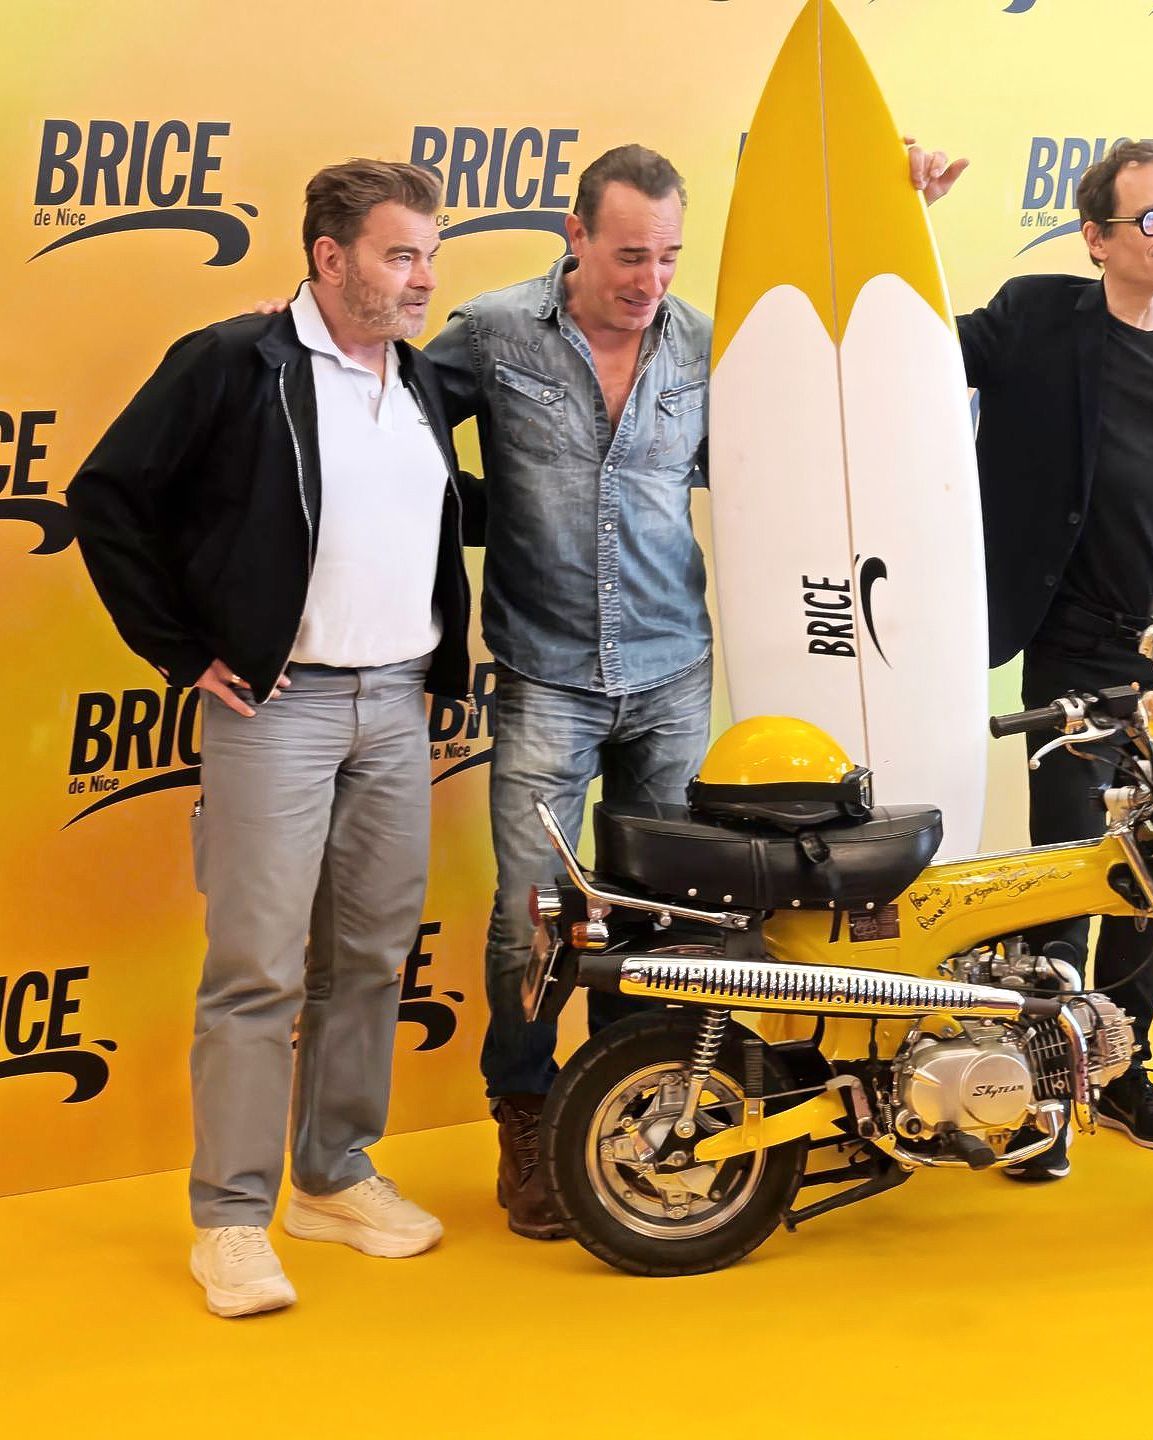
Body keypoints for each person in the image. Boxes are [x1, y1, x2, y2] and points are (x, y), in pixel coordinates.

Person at [67, 160, 473, 1316]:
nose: (423, 277)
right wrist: (183, 649)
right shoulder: (234, 362)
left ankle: (333, 1178)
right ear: (329, 257)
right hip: (277, 710)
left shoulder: (423, 379)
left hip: (396, 705)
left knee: (372, 957)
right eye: (399, 255)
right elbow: (106, 496)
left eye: (430, 255)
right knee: (256, 971)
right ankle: (231, 1219)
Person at [929, 139, 1153, 1176]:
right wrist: (909, 215)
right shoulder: (1035, 320)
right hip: (1078, 648)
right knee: (1069, 871)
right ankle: (1039, 1095)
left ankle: (1121, 1074)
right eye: (1150, 218)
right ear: (1095, 237)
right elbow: (911, 345)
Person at [422, 145, 714, 1238]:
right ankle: (527, 1113)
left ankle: (627, 1109)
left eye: (669, 256)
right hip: (546, 673)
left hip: (675, 672)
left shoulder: (702, 342)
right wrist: (290, 329)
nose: (650, 281)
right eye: (630, 255)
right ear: (576, 236)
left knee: (665, 916)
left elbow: (800, 442)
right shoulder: (494, 333)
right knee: (531, 918)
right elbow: (378, 410)